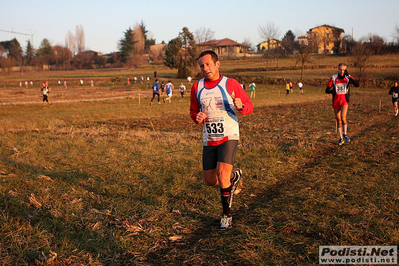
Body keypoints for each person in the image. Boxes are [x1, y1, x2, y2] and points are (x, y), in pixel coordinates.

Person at [190, 50, 253, 229]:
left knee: (222, 175)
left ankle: (226, 215)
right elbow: (193, 111)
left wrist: (241, 107)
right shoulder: (197, 87)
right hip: (209, 138)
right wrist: (197, 118)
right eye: (202, 65)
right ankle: (235, 177)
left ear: (217, 64)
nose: (205, 68)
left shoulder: (230, 84)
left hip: (229, 135)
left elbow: (249, 106)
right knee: (210, 180)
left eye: (208, 64)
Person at [325, 63, 360, 145]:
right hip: (336, 101)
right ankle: (341, 138)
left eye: (344, 69)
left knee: (343, 117)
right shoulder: (333, 78)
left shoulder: (347, 77)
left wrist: (349, 76)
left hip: (344, 100)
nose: (342, 71)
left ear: (346, 70)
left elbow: (357, 84)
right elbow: (326, 90)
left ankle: (345, 134)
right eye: (340, 69)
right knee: (338, 120)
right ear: (338, 69)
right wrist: (332, 91)